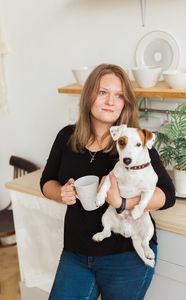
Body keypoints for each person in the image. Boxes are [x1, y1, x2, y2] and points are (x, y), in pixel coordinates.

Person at [40, 63, 176, 300]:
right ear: (89, 95)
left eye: (119, 95)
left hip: (125, 256)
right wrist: (61, 192)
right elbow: (46, 181)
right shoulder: (66, 137)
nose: (111, 101)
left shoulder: (134, 143)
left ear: (125, 103)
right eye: (103, 92)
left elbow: (167, 194)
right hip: (76, 252)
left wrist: (123, 202)